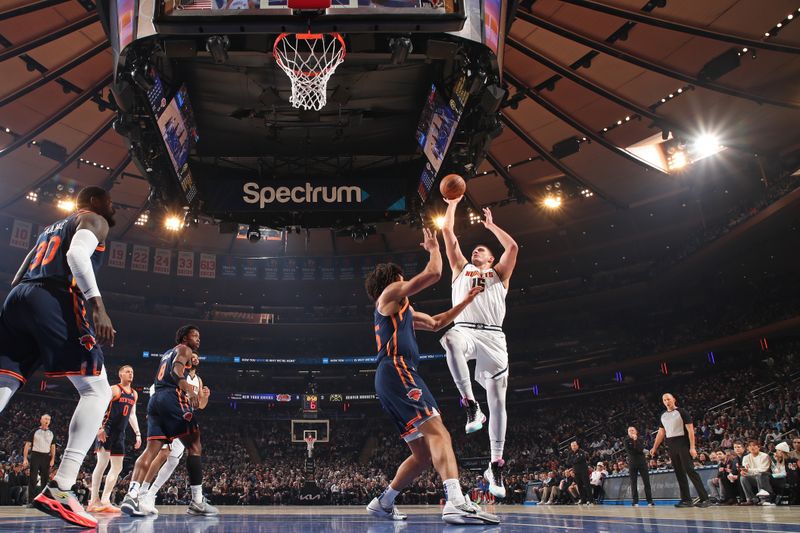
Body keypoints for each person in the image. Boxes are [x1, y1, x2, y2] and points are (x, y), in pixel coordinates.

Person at [364, 228, 498, 525]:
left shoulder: (404, 311)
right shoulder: (389, 294)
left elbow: (437, 323)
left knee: (422, 455)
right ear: (393, 279)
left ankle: (383, 503)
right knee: (440, 433)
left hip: (391, 378)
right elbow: (434, 274)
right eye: (402, 278)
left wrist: (468, 300)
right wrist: (434, 248)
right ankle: (456, 501)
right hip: (397, 370)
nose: (405, 282)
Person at [0, 186, 116, 528]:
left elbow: (20, 274)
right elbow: (77, 259)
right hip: (53, 295)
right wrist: (98, 305)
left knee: (5, 382)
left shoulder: (51, 228)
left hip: (19, 298)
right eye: (110, 202)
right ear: (95, 202)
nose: (114, 209)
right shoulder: (94, 220)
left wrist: (21, 313)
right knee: (98, 390)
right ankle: (61, 487)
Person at [439, 198, 518, 498]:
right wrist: (452, 203)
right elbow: (448, 232)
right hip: (466, 329)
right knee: (449, 339)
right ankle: (471, 406)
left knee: (499, 402)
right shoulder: (461, 269)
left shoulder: (500, 274)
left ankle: (495, 464)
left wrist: (491, 226)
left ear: (491, 257)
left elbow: (513, 249)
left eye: (482, 250)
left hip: (495, 337)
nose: (476, 251)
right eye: (475, 249)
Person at [120, 325, 216, 517]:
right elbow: (175, 371)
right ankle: (197, 501)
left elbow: (177, 367)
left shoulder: (167, 353)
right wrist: (188, 388)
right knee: (195, 447)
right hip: (173, 400)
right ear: (183, 337)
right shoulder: (184, 349)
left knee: (152, 451)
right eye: (194, 335)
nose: (198, 339)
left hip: (156, 402)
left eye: (199, 336)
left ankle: (132, 495)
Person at [138, 353, 209, 512]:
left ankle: (150, 495)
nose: (196, 358)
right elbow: (158, 390)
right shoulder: (176, 371)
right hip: (169, 413)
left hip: (184, 418)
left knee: (173, 460)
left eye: (198, 357)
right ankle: (141, 493)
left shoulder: (198, 380)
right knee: (163, 453)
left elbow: (199, 405)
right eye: (193, 356)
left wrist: (205, 397)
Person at [87, 365, 141, 512]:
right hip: (107, 429)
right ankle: (93, 500)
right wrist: (99, 428)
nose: (130, 374)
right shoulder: (114, 389)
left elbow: (132, 415)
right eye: (127, 371)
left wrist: (138, 434)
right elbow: (100, 406)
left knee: (118, 467)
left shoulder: (134, 394)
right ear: (120, 374)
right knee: (102, 464)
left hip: (120, 433)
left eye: (132, 372)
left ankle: (105, 500)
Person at [650, 393, 711, 508]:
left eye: (668, 399)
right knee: (679, 472)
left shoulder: (682, 412)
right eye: (664, 400)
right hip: (671, 445)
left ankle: (705, 498)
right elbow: (661, 432)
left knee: (689, 470)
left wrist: (692, 447)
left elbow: (691, 431)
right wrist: (654, 447)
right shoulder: (663, 415)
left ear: (674, 400)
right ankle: (686, 500)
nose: (666, 401)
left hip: (683, 443)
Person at [23, 414, 57, 505]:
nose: (47, 421)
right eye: (45, 419)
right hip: (35, 455)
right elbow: (27, 445)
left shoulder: (52, 433)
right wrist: (25, 458)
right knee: (33, 479)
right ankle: (30, 501)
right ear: (41, 420)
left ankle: (43, 501)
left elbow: (53, 447)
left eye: (49, 419)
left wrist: (53, 458)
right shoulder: (34, 431)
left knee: (45, 480)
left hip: (46, 456)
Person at [624, 426, 653, 506]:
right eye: (629, 430)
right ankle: (635, 501)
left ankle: (650, 501)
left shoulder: (640, 439)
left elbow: (641, 449)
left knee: (646, 482)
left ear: (636, 431)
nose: (631, 431)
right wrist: (637, 449)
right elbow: (630, 451)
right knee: (633, 483)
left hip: (642, 463)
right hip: (632, 464)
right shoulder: (626, 441)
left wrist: (635, 440)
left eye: (632, 430)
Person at [740, 440, 773, 505]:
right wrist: (744, 472)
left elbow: (763, 469)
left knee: (759, 475)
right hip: (753, 477)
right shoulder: (746, 457)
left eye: (754, 445)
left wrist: (749, 471)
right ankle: (751, 499)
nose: (752, 447)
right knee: (743, 478)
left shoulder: (765, 456)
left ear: (759, 447)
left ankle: (763, 499)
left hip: (765, 477)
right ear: (748, 448)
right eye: (750, 446)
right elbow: (746, 470)